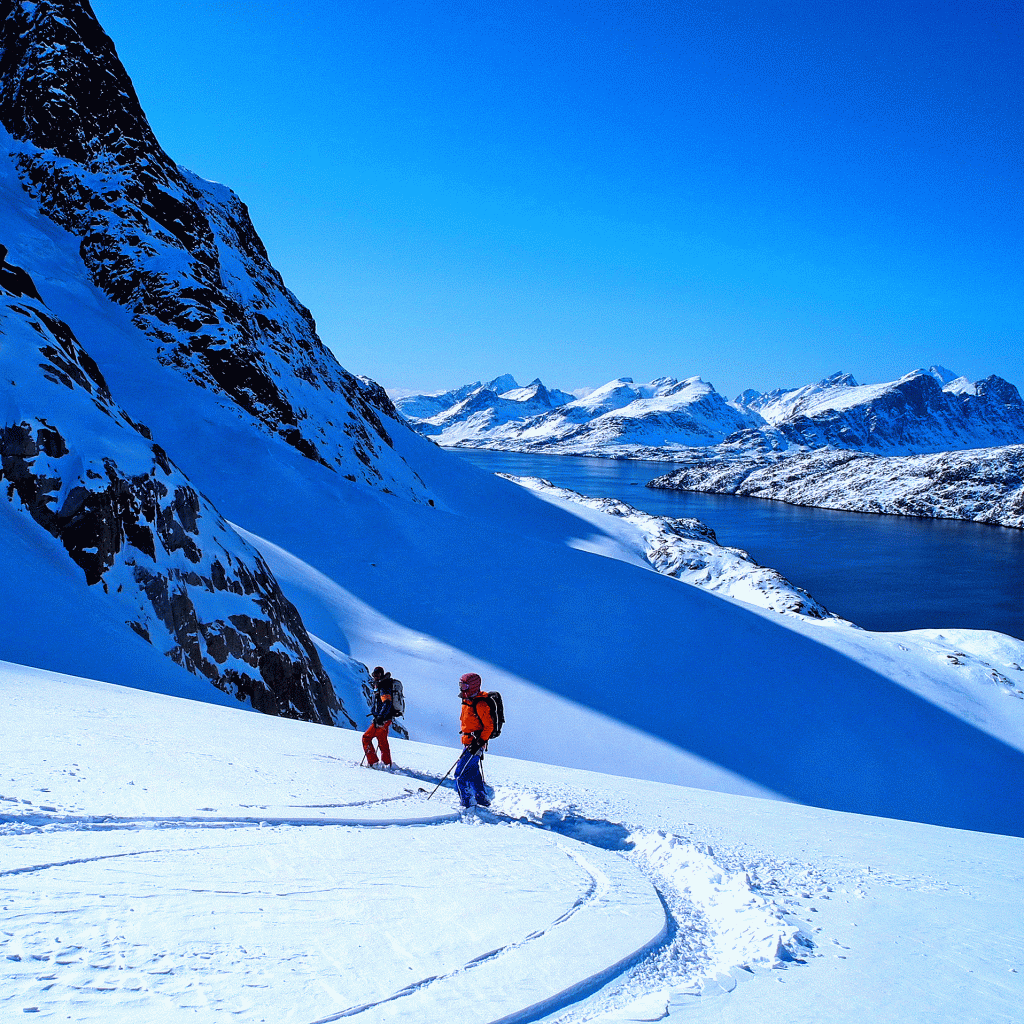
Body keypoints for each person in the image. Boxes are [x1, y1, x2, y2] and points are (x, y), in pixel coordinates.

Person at [454, 672, 493, 807]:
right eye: (460, 684)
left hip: (475, 744)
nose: (461, 688)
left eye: (464, 685)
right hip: (469, 742)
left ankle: (466, 802)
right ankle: (482, 799)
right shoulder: (467, 701)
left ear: (473, 686)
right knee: (473, 772)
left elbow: (489, 726)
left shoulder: (480, 704)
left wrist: (479, 742)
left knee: (459, 775)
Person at [362, 666, 397, 769]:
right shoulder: (382, 685)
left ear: (381, 674)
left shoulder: (383, 686)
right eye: (374, 674)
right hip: (387, 719)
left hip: (382, 719)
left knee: (366, 738)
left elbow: (387, 702)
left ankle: (373, 762)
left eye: (377, 674)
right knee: (382, 741)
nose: (375, 677)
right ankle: (387, 764)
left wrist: (380, 716)